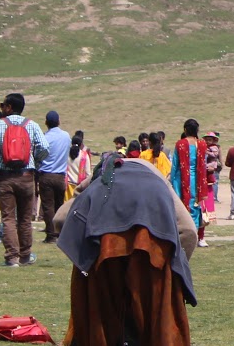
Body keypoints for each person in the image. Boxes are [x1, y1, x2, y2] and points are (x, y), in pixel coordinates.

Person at [56, 146, 199, 346]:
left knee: (103, 321)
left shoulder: (100, 179)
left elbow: (61, 219)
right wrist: (172, 269)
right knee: (154, 325)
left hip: (105, 249)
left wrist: (84, 258)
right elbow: (189, 231)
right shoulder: (156, 178)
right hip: (151, 251)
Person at [0, 92, 51, 267]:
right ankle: (25, 256)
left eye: (3, 105)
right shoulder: (32, 125)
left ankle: (12, 257)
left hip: (5, 177)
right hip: (27, 176)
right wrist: (35, 160)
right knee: (25, 218)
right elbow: (44, 147)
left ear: (9, 107)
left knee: (8, 218)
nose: (2, 108)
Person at [171, 119, 212, 248]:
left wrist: (172, 181)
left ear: (185, 130)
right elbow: (203, 164)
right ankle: (194, 236)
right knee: (194, 206)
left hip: (181, 179)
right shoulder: (202, 144)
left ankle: (180, 236)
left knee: (181, 207)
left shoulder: (180, 144)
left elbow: (175, 166)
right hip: (197, 181)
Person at [38, 110, 72, 240]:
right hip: (60, 176)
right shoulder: (66, 136)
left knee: (48, 207)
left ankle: (51, 235)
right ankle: (60, 233)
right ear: (59, 121)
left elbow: (39, 156)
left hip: (46, 175)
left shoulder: (44, 138)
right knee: (59, 206)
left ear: (46, 123)